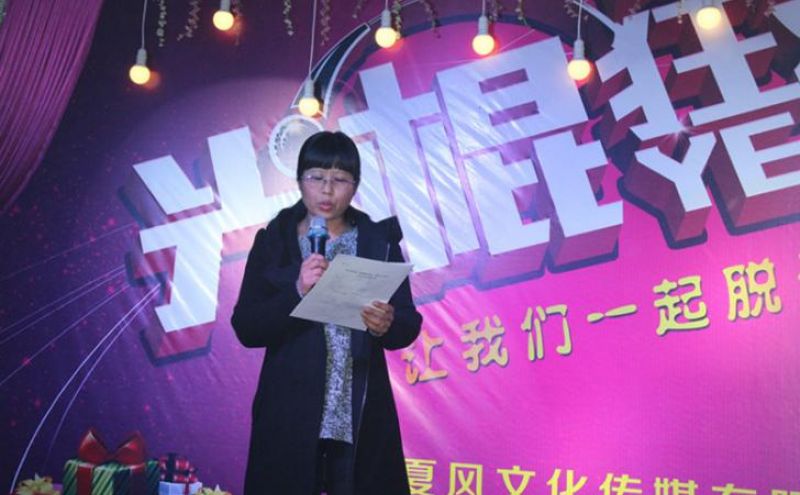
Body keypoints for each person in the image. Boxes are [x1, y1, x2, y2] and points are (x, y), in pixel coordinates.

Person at [231, 130, 422, 495]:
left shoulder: (378, 242)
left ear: (355, 185)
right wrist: (296, 292)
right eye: (316, 177)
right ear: (299, 179)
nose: (327, 190)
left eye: (340, 179)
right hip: (290, 410)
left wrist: (387, 323)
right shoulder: (274, 242)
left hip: (358, 415)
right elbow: (247, 327)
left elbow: (408, 322)